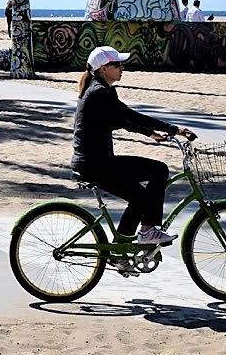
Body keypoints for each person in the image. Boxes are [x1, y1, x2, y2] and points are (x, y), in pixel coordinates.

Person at [70, 46, 197, 249]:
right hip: (96, 164)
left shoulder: (101, 90)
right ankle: (148, 230)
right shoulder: (99, 93)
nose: (122, 68)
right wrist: (175, 129)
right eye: (117, 64)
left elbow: (120, 121)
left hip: (94, 162)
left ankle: (121, 250)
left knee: (140, 197)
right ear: (104, 69)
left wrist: (149, 133)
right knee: (159, 170)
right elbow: (131, 116)